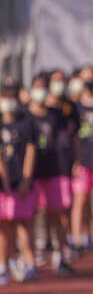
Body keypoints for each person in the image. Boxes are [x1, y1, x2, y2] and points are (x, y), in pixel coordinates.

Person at [28, 73, 74, 274]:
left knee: (58, 213)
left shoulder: (56, 114)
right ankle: (30, 255)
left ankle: (60, 254)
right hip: (31, 173)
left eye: (44, 87)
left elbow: (67, 138)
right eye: (37, 87)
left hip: (54, 169)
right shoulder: (24, 115)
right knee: (30, 215)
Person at [0, 84, 37, 283]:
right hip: (4, 185)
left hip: (21, 183)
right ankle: (4, 265)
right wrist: (5, 183)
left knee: (23, 224)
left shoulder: (25, 122)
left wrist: (25, 178)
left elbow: (31, 151)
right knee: (4, 227)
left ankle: (28, 262)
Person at [71, 66, 93, 251]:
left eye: (91, 78)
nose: (88, 82)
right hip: (82, 159)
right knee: (80, 200)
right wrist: (75, 160)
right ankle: (77, 238)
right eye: (85, 78)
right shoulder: (74, 106)